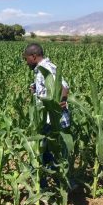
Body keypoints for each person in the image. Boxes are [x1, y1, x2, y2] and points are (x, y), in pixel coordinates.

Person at [22, 43, 71, 188]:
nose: (26, 63)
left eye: (26, 59)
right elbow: (49, 87)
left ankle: (50, 187)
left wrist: (60, 103)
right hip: (48, 119)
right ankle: (51, 185)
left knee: (46, 154)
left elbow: (64, 87)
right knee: (47, 154)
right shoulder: (41, 70)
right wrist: (36, 89)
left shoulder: (46, 68)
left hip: (53, 120)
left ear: (34, 56)